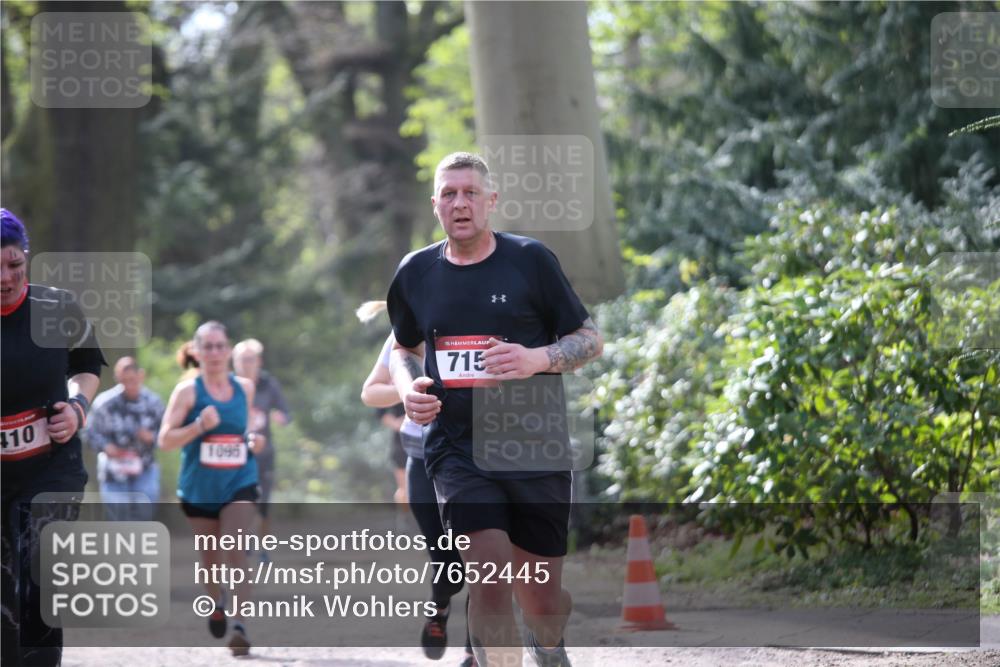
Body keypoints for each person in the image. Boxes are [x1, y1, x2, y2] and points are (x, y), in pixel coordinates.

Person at [387, 153, 603, 667]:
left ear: (491, 201)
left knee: (543, 598)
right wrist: (406, 387)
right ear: (434, 204)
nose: (459, 203)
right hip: (458, 450)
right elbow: (403, 348)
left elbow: (590, 340)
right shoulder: (415, 272)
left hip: (536, 445)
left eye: (469, 193)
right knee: (489, 581)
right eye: (448, 194)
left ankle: (548, 644)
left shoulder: (530, 260)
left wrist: (538, 358)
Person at [1, 208, 106, 666]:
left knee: (40, 577)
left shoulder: (55, 307)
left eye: (14, 265)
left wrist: (78, 408)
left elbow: (87, 365)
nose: (5, 277)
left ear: (27, 259)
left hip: (51, 468)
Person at [359, 301, 475, 667]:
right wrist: (407, 387)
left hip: (481, 454)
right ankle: (439, 606)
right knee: (449, 565)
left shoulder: (491, 319)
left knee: (484, 559)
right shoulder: (409, 330)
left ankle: (476, 651)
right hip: (424, 456)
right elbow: (370, 392)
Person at [158, 321, 261, 656]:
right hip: (199, 488)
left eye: (220, 346)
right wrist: (199, 425)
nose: (215, 353)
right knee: (211, 558)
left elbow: (242, 430)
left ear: (228, 350)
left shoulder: (244, 387)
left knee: (236, 547)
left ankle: (240, 626)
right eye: (209, 347)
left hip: (239, 480)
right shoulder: (188, 392)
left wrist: (252, 441)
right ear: (198, 352)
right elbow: (165, 440)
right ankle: (217, 602)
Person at [83, 356, 164, 521]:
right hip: (113, 471)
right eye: (124, 380)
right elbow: (88, 432)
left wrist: (151, 437)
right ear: (117, 378)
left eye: (132, 379)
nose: (129, 384)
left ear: (141, 375)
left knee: (144, 516)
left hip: (145, 469)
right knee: (119, 518)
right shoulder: (104, 403)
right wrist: (105, 447)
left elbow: (167, 434)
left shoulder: (154, 403)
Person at [232, 338, 291, 562]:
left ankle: (263, 547)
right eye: (241, 360)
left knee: (263, 502)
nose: (246, 364)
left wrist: (281, 418)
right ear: (235, 362)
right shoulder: (228, 385)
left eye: (250, 360)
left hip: (264, 453)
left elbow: (286, 412)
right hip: (235, 454)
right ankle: (242, 542)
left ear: (259, 361)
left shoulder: (269, 385)